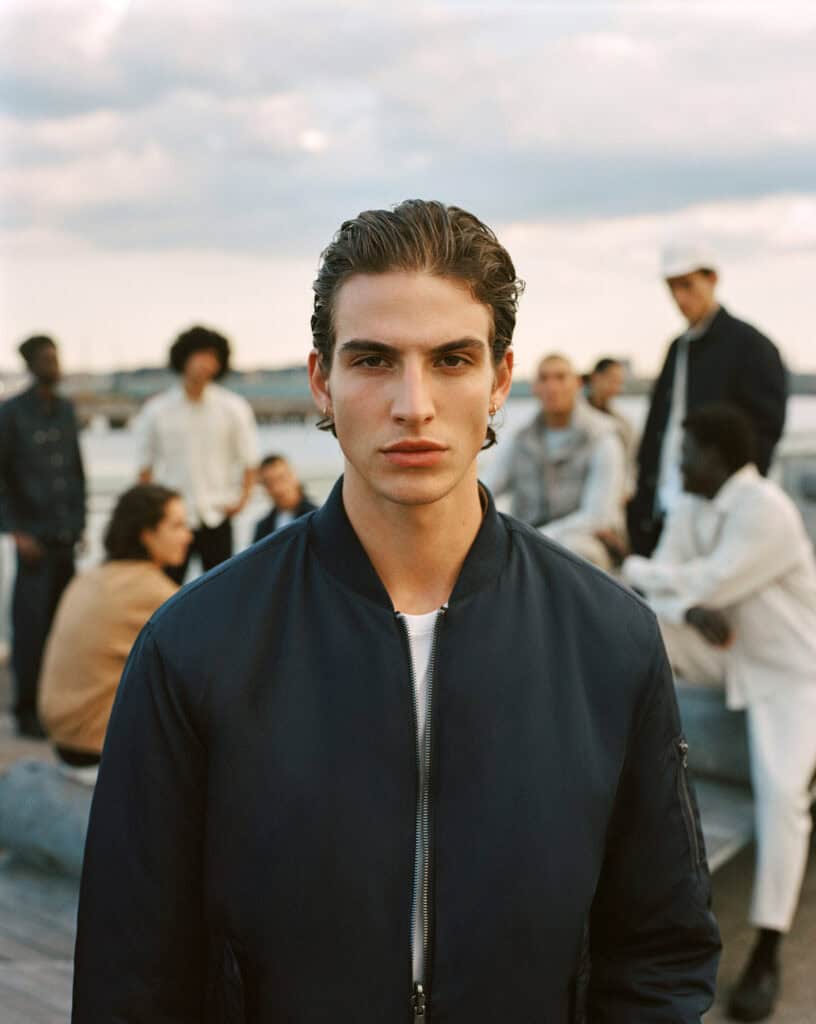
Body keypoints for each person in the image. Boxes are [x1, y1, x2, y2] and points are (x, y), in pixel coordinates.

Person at [73, 200, 719, 1022]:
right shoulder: (194, 646)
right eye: (374, 360)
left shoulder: (610, 640)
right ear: (322, 380)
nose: (413, 404)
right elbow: (129, 976)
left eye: (451, 359)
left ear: (499, 381)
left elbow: (661, 949)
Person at [622, 403, 816, 1022]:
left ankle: (767, 946)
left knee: (782, 795)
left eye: (686, 452)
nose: (678, 465)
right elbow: (667, 594)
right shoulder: (690, 505)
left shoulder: (767, 511)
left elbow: (701, 580)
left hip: (791, 672)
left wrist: (636, 566)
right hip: (726, 656)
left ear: (717, 456)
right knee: (633, 631)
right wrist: (684, 607)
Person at [627, 241, 787, 556]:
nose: (680, 297)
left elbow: (764, 433)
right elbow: (658, 427)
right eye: (672, 288)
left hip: (717, 514)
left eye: (687, 285)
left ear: (712, 279)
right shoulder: (678, 348)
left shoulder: (752, 346)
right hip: (664, 508)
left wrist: (731, 503)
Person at [38, 485, 191, 779]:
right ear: (147, 534)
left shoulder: (90, 577)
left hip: (65, 742)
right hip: (101, 752)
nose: (188, 535)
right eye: (177, 526)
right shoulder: (154, 592)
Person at [0, 335, 85, 738]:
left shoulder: (66, 410)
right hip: (32, 539)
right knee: (31, 628)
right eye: (46, 358)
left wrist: (82, 522)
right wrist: (15, 531)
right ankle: (25, 711)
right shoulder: (11, 413)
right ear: (31, 364)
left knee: (64, 627)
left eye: (56, 355)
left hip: (66, 535)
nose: (54, 363)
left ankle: (58, 707)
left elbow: (76, 469)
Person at [134, 325, 258, 583]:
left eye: (213, 357)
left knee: (222, 590)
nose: (206, 364)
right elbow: (144, 468)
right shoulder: (157, 410)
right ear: (184, 357)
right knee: (167, 591)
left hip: (218, 514)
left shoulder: (233, 408)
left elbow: (250, 460)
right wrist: (151, 515)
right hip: (172, 518)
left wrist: (242, 499)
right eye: (200, 355)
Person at [488, 352, 626, 568]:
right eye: (544, 378)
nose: (552, 387)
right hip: (528, 539)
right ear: (535, 387)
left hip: (585, 542)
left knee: (577, 551)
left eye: (561, 377)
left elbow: (599, 515)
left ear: (578, 384)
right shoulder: (520, 439)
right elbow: (487, 488)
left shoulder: (603, 437)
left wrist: (534, 538)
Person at [585, 355, 637, 494]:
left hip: (612, 496)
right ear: (595, 377)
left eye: (619, 383)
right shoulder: (574, 417)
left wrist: (627, 488)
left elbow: (630, 462)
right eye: (612, 381)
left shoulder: (624, 424)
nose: (616, 389)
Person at [252, 453, 317, 542]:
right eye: (269, 483)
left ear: (294, 476)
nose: (277, 489)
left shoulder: (316, 518)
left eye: (281, 478)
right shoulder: (263, 527)